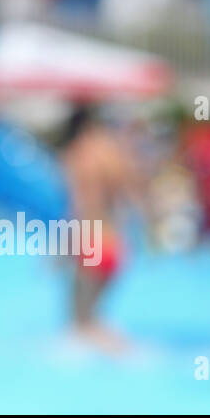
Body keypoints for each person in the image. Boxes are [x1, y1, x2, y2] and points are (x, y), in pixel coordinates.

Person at [58, 103, 140, 350]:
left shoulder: (76, 155)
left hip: (88, 239)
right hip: (113, 243)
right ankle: (120, 350)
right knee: (94, 319)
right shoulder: (113, 154)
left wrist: (61, 246)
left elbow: (75, 206)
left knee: (77, 325)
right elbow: (131, 198)